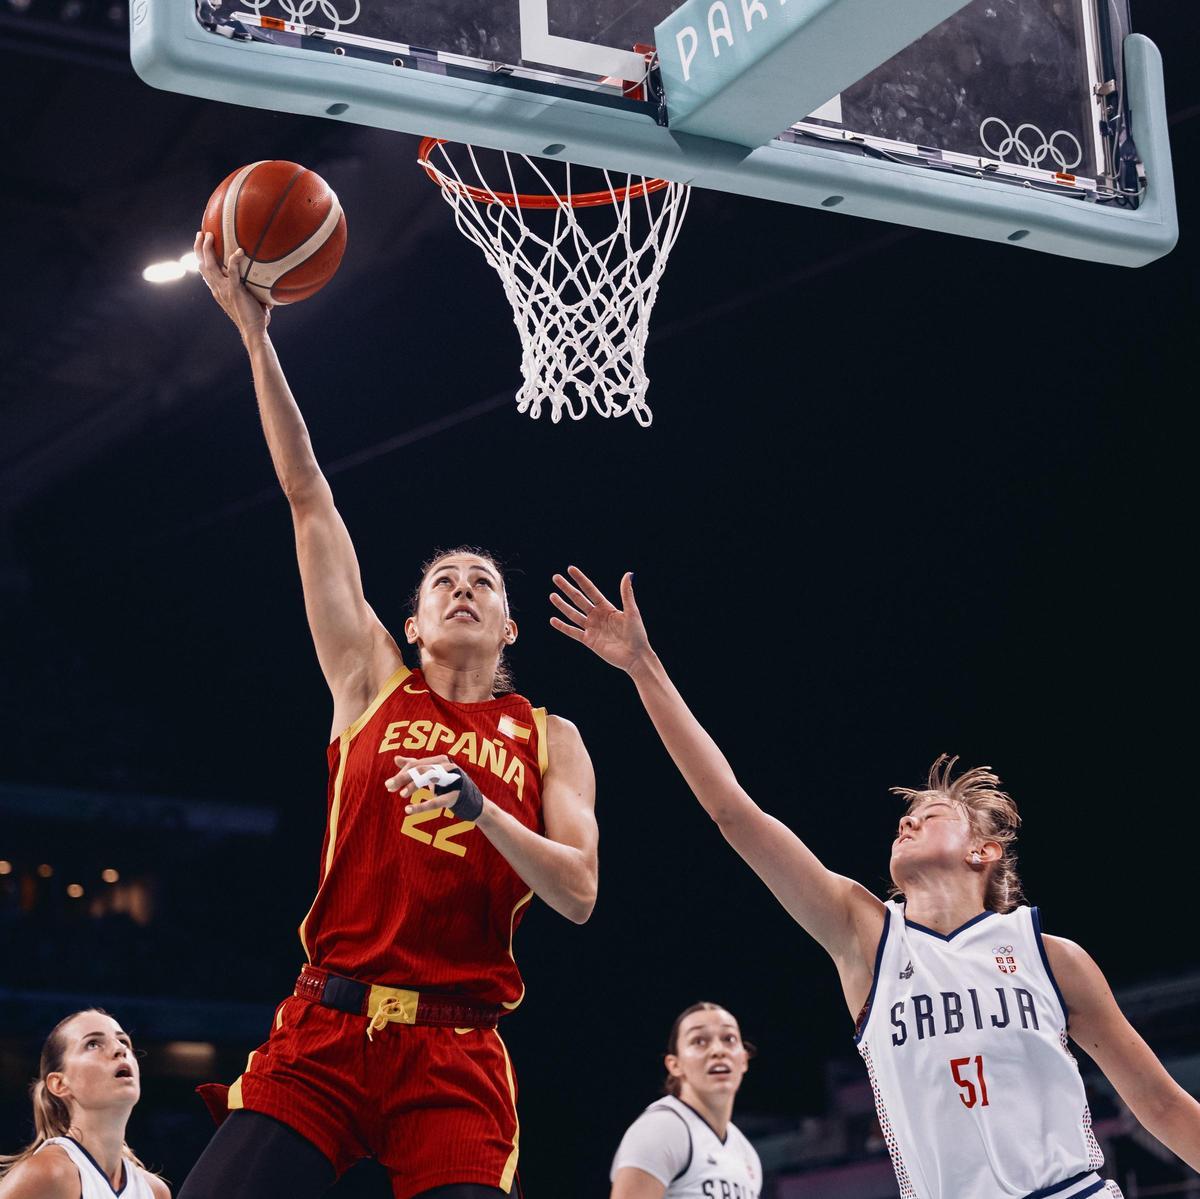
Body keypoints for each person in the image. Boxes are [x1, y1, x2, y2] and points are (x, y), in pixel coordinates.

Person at [550, 566, 1200, 1199]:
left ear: (984, 850)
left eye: (931, 814)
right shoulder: (863, 932)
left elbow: (1160, 1104)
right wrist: (644, 667)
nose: (908, 821)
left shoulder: (1051, 956)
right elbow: (732, 809)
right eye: (904, 816)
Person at [180, 233, 599, 1199]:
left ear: (508, 628)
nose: (462, 586)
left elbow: (578, 892)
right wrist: (255, 334)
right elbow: (308, 497)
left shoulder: (549, 738)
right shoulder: (370, 682)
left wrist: (481, 811)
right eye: (442, 580)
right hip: (327, 1028)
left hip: (454, 1050)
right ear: (409, 623)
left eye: (482, 581)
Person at [0, 1009, 169, 1199]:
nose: (120, 1050)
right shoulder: (48, 1173)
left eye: (123, 1041)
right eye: (93, 1044)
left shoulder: (155, 1191)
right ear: (60, 1084)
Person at [610, 1003, 762, 1199]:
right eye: (699, 1041)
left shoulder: (747, 1155)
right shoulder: (663, 1129)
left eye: (729, 1039)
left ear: (744, 1060)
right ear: (675, 1065)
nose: (718, 1050)